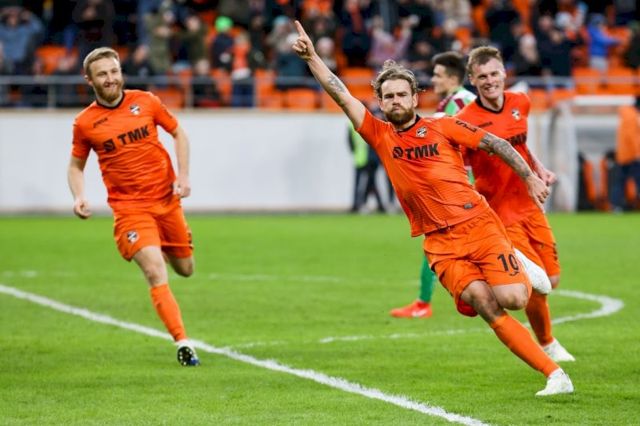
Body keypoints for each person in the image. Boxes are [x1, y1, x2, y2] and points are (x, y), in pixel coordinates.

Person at [292, 20, 573, 396]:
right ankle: (555, 375)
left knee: (515, 299)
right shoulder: (379, 135)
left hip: (479, 225)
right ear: (381, 102)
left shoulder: (443, 127)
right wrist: (313, 58)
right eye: (388, 96)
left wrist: (530, 177)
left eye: (401, 95)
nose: (395, 101)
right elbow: (341, 94)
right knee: (485, 304)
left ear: (414, 97)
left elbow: (498, 144)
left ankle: (519, 265)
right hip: (440, 243)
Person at [66, 47, 200, 367]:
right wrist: (79, 196)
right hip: (130, 210)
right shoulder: (85, 123)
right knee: (154, 270)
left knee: (186, 269)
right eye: (102, 74)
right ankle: (183, 342)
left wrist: (183, 175)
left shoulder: (147, 101)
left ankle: (162, 243)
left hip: (166, 202)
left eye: (114, 71)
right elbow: (75, 167)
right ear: (89, 80)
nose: (110, 79)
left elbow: (179, 133)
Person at [457, 45, 575, 363]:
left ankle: (492, 272)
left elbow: (520, 145)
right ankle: (548, 343)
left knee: (552, 279)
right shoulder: (465, 121)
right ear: (472, 80)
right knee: (537, 286)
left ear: (504, 73)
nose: (490, 81)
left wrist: (539, 169)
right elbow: (459, 166)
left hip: (530, 205)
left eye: (494, 73)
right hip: (501, 213)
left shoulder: (521, 102)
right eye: (482, 76)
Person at [390, 51, 476, 319]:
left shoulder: (459, 102)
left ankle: (434, 301)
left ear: (452, 78)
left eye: (438, 75)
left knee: (439, 243)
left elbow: (469, 142)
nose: (433, 80)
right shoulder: (456, 102)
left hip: (463, 187)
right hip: (464, 185)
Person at [609, 95, 640, 212]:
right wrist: (637, 152)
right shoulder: (632, 116)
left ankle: (616, 205)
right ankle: (617, 205)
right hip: (632, 156)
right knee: (637, 180)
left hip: (622, 155)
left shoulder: (626, 114)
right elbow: (633, 137)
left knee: (619, 182)